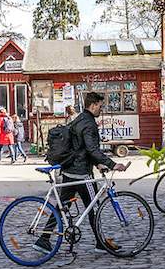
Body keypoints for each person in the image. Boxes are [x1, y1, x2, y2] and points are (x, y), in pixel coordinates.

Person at [33, 92, 127, 254]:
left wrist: (97, 163)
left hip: (70, 170)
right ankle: (100, 243)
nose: (101, 109)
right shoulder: (89, 124)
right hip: (82, 174)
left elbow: (80, 147)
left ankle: (43, 239)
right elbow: (91, 149)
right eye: (100, 105)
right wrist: (112, 164)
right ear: (93, 105)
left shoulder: (79, 119)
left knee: (62, 206)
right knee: (95, 208)